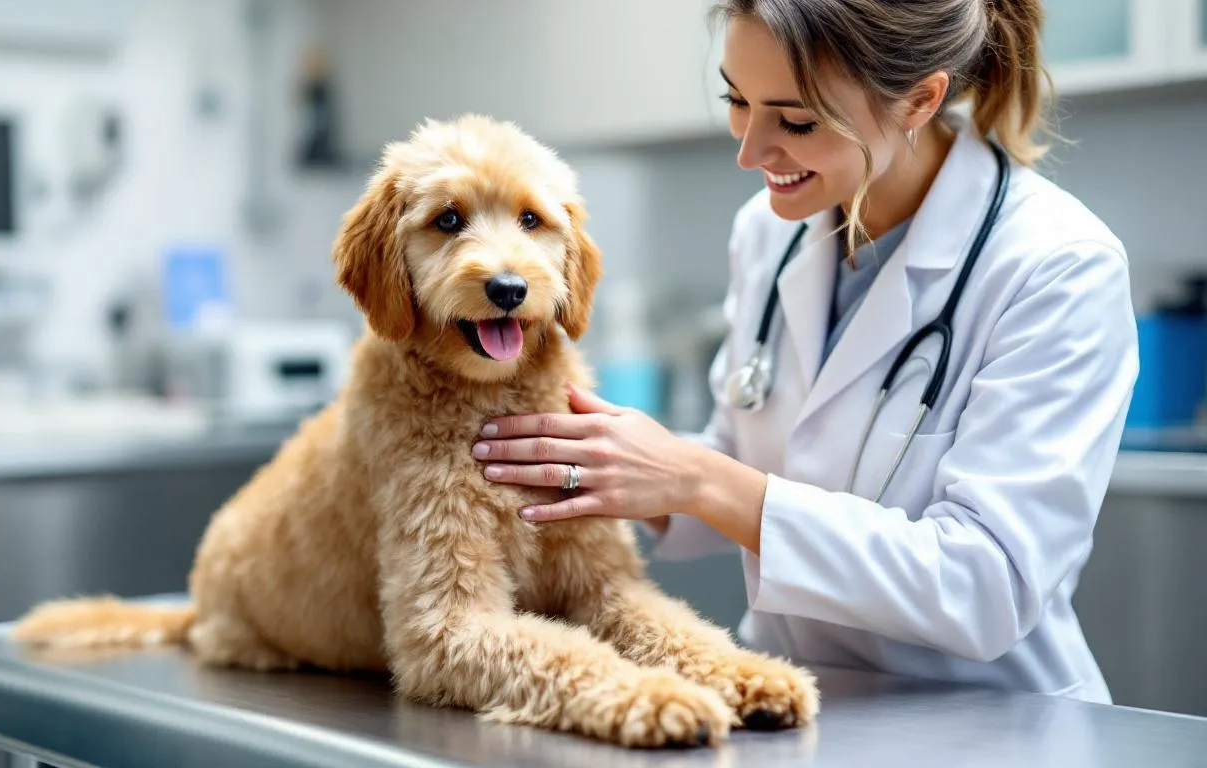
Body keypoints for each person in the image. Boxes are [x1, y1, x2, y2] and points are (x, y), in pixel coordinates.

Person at [469, 0, 1140, 704]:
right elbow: (743, 455)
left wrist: (696, 478)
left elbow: (988, 585)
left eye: (796, 121)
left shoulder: (1057, 265)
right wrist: (609, 471)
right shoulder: (767, 231)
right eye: (736, 100)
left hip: (987, 719)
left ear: (920, 98)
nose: (750, 151)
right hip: (797, 700)